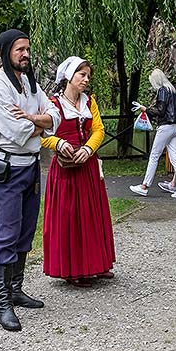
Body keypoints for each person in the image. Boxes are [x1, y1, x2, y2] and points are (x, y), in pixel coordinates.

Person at [0, 28, 61, 332]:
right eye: (19, 50)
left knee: (26, 228)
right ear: (6, 52)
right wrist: (39, 121)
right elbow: (15, 132)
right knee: (7, 230)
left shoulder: (29, 83)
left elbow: (55, 117)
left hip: (30, 166)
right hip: (8, 167)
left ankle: (16, 289)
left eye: (27, 49)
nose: (25, 54)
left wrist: (33, 119)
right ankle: (2, 302)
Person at [40, 56, 116, 287]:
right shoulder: (53, 103)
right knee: (70, 217)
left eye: (88, 76)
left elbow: (98, 129)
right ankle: (74, 270)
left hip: (87, 165)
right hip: (65, 168)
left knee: (93, 215)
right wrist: (58, 143)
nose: (86, 79)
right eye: (82, 75)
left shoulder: (89, 101)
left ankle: (97, 264)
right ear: (69, 77)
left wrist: (89, 149)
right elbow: (43, 136)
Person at [129, 69, 176, 198]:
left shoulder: (162, 90)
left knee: (154, 156)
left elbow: (160, 111)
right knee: (175, 158)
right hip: (175, 126)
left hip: (165, 126)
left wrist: (146, 109)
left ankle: (145, 186)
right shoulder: (172, 91)